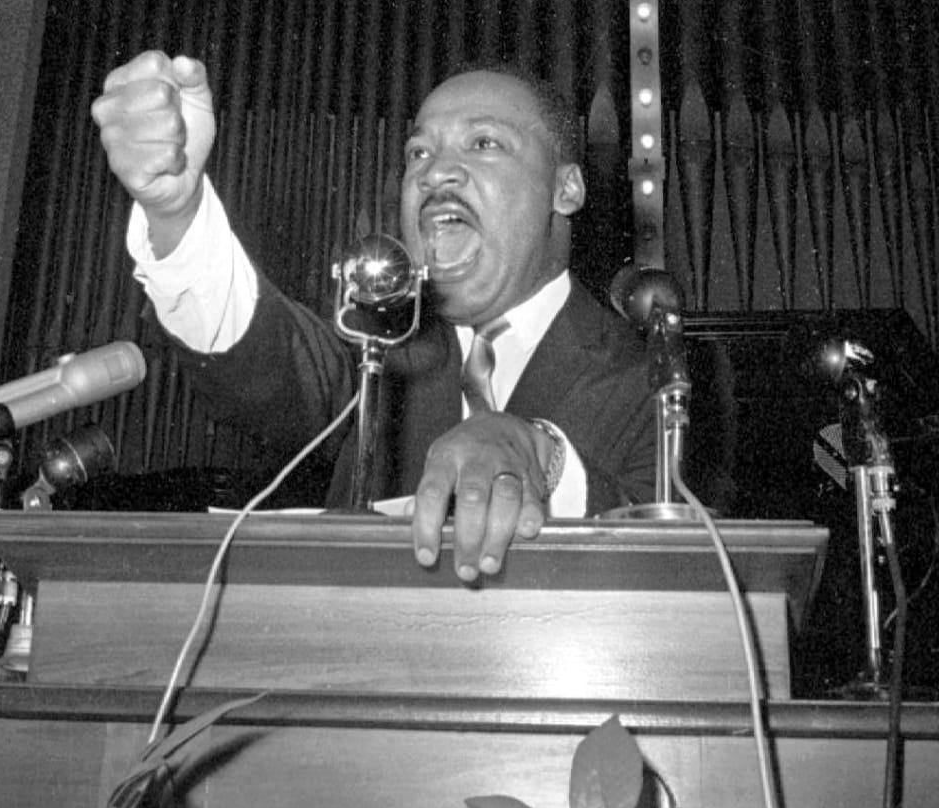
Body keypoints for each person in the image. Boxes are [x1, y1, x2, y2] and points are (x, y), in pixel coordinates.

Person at [93, 51, 657, 582]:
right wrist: (177, 212)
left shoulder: (654, 376)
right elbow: (272, 355)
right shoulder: (375, 347)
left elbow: (678, 558)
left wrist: (544, 457)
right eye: (419, 153)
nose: (435, 173)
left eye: (484, 143)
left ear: (565, 188)